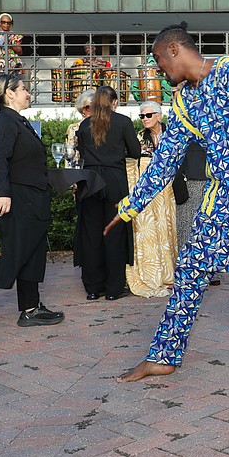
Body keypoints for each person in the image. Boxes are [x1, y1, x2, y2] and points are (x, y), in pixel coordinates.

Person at [108, 22, 229, 382]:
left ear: (174, 49)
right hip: (224, 198)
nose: (159, 69)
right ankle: (164, 357)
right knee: (189, 270)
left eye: (158, 59)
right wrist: (130, 207)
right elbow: (166, 158)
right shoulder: (184, 101)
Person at [0, 74, 64, 329]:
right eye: (24, 89)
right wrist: (3, 192)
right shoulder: (4, 121)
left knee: (32, 253)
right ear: (10, 94)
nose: (28, 93)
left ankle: (30, 309)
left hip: (32, 197)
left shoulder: (18, 120)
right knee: (16, 254)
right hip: (17, 198)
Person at [75, 86, 140, 302]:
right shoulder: (122, 122)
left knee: (91, 234)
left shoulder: (85, 125)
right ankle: (114, 288)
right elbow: (135, 151)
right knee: (115, 233)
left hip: (91, 180)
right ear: (114, 103)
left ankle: (93, 287)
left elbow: (83, 153)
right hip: (114, 179)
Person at [124, 101, 177, 298]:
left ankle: (171, 271)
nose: (145, 119)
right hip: (151, 191)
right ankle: (155, 272)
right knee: (154, 229)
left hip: (170, 189)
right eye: (142, 116)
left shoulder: (171, 134)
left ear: (159, 115)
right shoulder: (139, 138)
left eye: (148, 115)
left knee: (169, 228)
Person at [175, 142, 222, 287]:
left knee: (205, 227)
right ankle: (197, 270)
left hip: (206, 179)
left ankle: (207, 271)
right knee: (189, 227)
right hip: (191, 179)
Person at [64, 89, 95, 168]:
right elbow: (69, 153)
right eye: (89, 108)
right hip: (80, 167)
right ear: (83, 110)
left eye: (95, 108)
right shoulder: (74, 128)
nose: (93, 111)